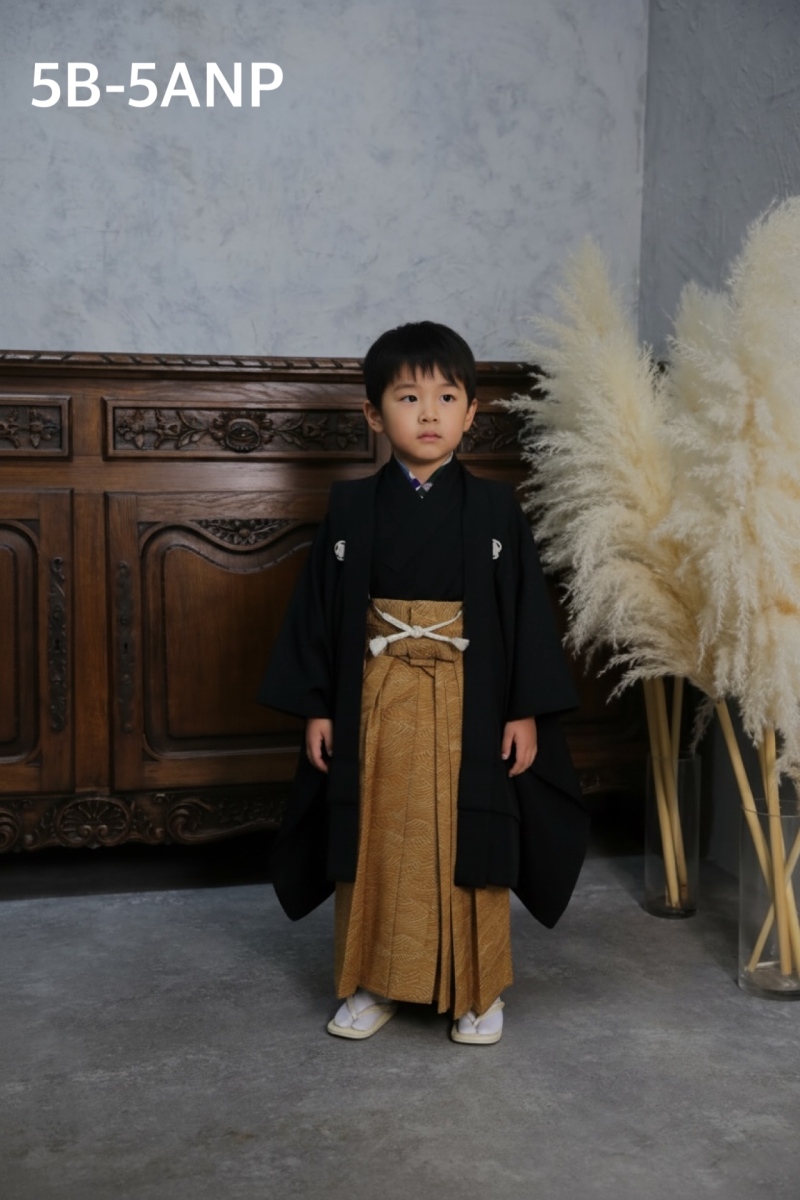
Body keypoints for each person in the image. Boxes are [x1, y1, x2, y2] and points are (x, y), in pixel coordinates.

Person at [257, 320, 589, 1044]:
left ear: (472, 414)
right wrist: (317, 706)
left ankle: (479, 988)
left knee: (477, 834)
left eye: (446, 397)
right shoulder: (351, 506)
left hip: (472, 696)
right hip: (374, 694)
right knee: (374, 834)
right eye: (408, 397)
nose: (429, 413)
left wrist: (525, 709)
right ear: (373, 414)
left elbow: (525, 614)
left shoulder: (496, 508)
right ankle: (371, 981)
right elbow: (319, 610)